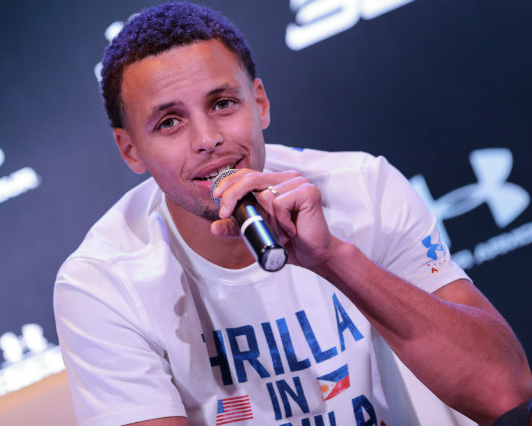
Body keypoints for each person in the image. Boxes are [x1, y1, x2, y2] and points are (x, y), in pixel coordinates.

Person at [54, 2, 532, 425]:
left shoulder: (363, 188)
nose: (206, 139)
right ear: (130, 150)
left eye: (223, 104)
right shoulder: (101, 283)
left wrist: (333, 259)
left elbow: (505, 394)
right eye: (170, 122)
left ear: (259, 103)